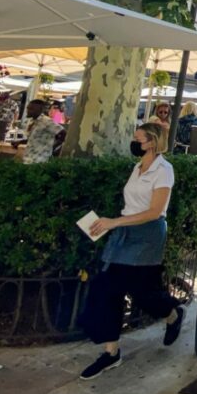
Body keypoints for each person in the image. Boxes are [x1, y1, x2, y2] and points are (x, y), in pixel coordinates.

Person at [77, 122, 185, 379]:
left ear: (153, 142)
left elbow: (154, 211)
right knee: (106, 287)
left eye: (140, 139)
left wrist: (114, 222)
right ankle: (111, 352)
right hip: (125, 232)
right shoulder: (137, 167)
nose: (135, 143)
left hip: (147, 235)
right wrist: (110, 223)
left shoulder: (164, 170)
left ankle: (171, 314)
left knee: (143, 292)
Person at [20, 100, 63, 164]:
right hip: (28, 158)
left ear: (40, 110)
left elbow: (63, 134)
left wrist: (53, 147)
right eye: (28, 108)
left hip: (40, 160)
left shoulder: (46, 121)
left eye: (31, 109)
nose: (28, 111)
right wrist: (19, 142)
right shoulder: (32, 121)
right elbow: (34, 139)